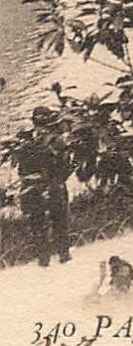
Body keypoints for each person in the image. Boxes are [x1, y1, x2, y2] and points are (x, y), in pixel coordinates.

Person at [16, 106, 72, 267]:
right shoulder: (57, 140)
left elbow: (21, 169)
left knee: (37, 223)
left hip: (31, 186)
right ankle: (63, 255)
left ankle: (44, 258)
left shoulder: (25, 142)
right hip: (53, 184)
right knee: (59, 220)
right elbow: (63, 167)